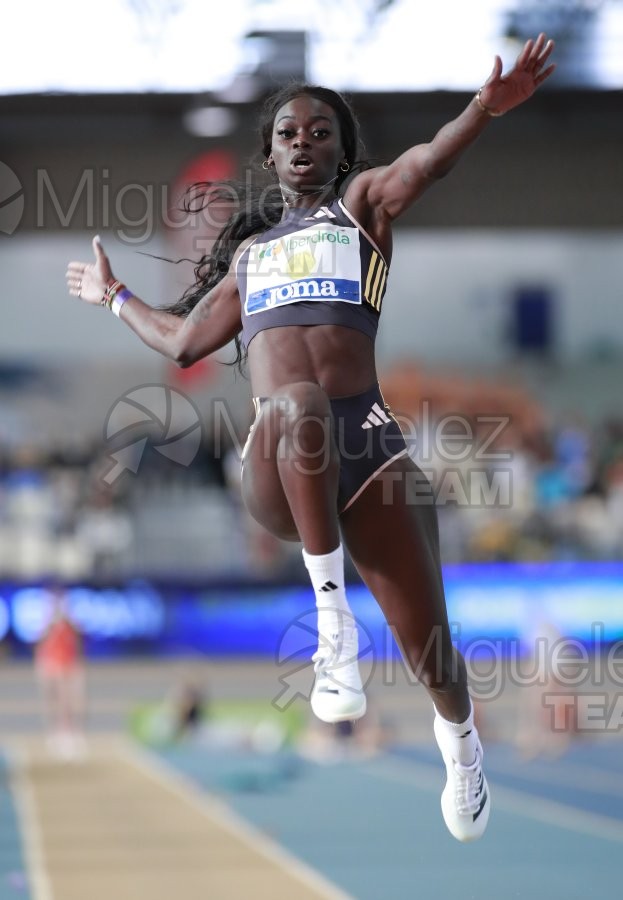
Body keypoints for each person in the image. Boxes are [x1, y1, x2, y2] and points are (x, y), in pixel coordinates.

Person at [66, 33, 555, 841]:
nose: (303, 142)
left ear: (340, 151)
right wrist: (114, 293)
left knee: (430, 648)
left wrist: (480, 110)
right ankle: (333, 626)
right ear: (270, 152)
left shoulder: (363, 204)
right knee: (293, 402)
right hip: (280, 461)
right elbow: (184, 342)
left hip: (368, 451)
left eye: (319, 132)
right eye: (288, 133)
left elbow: (424, 164)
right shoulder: (250, 259)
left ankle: (461, 745)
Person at [34, 586, 87, 759]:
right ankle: (55, 733)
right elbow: (41, 643)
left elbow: (79, 639)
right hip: (52, 665)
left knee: (70, 701)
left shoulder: (70, 622)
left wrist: (66, 618)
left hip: (68, 665)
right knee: (54, 701)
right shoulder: (45, 622)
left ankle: (71, 732)